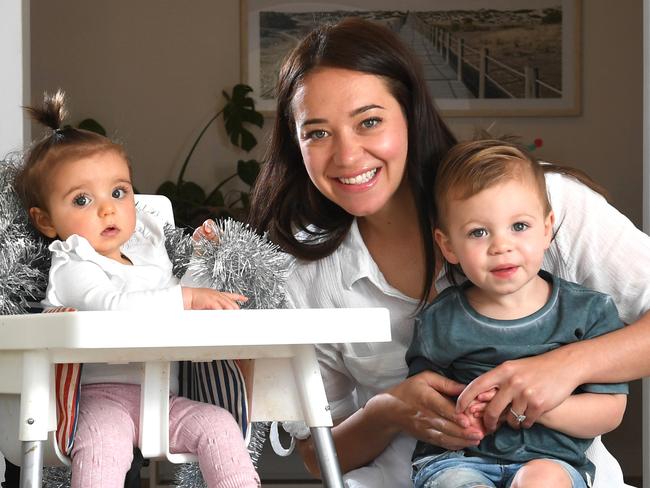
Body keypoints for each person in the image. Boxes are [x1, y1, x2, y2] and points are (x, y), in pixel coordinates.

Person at [247, 16, 650, 488]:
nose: (348, 156)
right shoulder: (304, 274)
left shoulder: (543, 201)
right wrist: (388, 412)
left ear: (411, 114)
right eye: (317, 133)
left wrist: (563, 366)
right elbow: (319, 457)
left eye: (370, 121)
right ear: (296, 146)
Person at [14, 91, 260, 488]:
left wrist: (199, 258)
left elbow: (180, 299)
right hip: (97, 400)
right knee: (102, 446)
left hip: (162, 397)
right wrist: (183, 299)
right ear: (45, 221)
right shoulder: (72, 263)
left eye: (118, 192)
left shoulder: (147, 252)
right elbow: (111, 306)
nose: (107, 209)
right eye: (81, 199)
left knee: (219, 426)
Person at [405, 139, 627, 488]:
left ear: (547, 228)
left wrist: (534, 406)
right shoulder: (440, 319)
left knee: (543, 480)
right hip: (459, 460)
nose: (501, 245)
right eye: (478, 232)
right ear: (448, 245)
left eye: (519, 226)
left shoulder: (588, 312)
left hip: (552, 462)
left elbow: (609, 412)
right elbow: (425, 399)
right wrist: (462, 413)